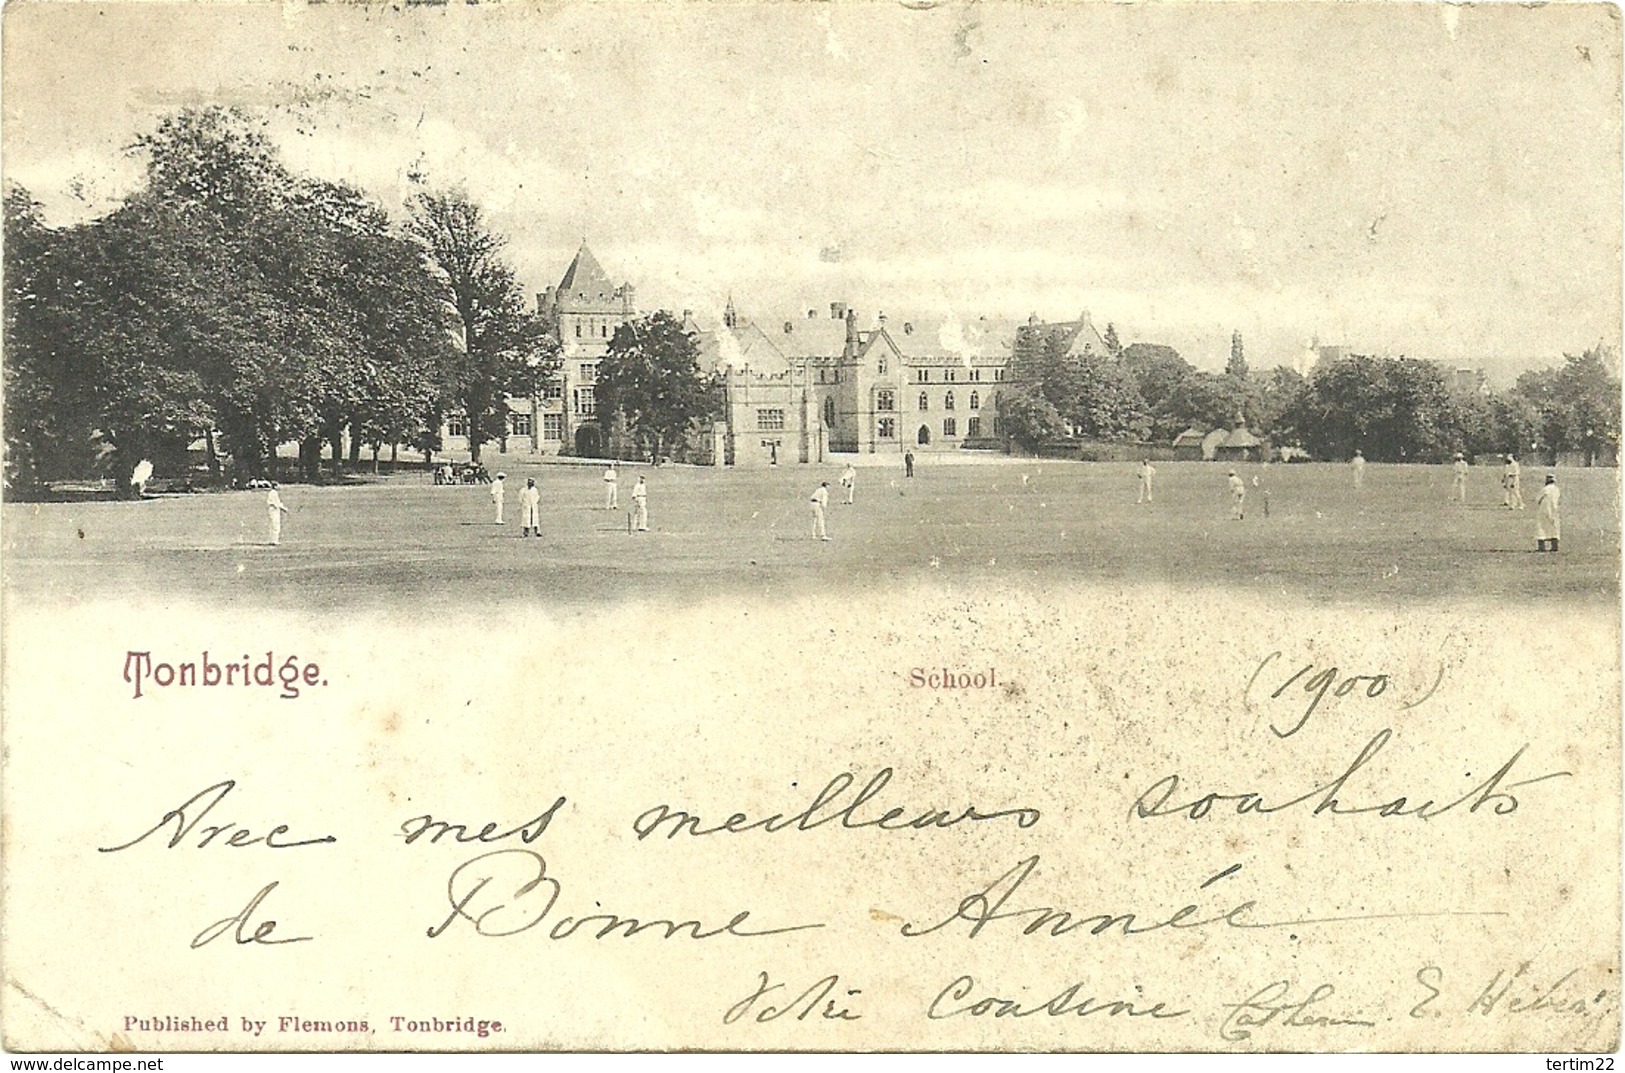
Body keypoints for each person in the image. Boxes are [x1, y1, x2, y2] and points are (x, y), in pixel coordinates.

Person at [1535, 474, 1561, 552]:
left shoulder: (1544, 489)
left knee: (1541, 526)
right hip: (1554, 509)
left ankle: (1541, 546)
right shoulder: (1556, 489)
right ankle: (1554, 545)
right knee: (1554, 526)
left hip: (1544, 509)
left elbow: (1537, 499)